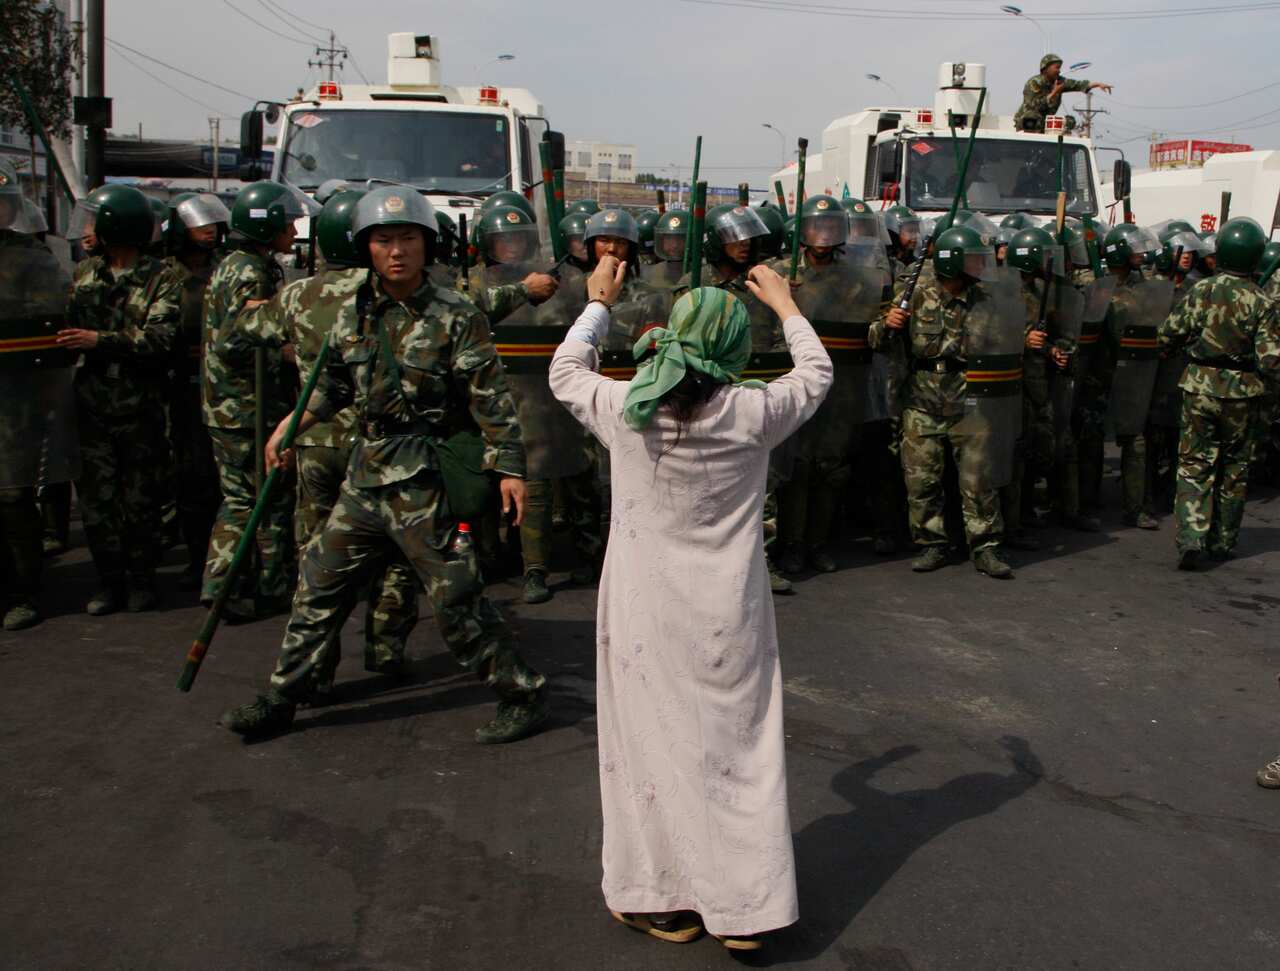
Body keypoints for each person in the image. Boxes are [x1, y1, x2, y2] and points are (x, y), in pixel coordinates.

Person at [549, 257, 832, 951]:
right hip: (728, 617)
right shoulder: (754, 411)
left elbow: (564, 372)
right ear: (735, 349)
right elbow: (817, 374)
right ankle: (746, 910)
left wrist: (597, 305)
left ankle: (661, 899)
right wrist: (786, 303)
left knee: (647, 748)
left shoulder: (625, 409)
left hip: (643, 615)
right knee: (739, 752)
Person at [218, 186, 549, 744]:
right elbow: (335, 384)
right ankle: (285, 695)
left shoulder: (456, 314)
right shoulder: (353, 311)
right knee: (317, 585)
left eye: (408, 239)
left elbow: (489, 398)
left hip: (421, 479)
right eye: (383, 240)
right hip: (366, 473)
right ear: (365, 247)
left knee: (455, 597)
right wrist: (292, 423)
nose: (396, 251)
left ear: (428, 245)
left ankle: (522, 691)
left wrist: (510, 468)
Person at [222, 187, 422, 694]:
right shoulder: (383, 294)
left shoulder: (296, 294)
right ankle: (385, 646)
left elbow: (245, 329)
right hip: (378, 446)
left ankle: (314, 667)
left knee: (318, 563)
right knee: (395, 551)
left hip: (313, 442)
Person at [58, 184, 182, 613]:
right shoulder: (85, 273)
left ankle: (142, 580)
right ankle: (109, 582)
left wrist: (100, 339)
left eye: (95, 221)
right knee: (96, 501)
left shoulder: (162, 277)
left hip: (139, 403)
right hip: (93, 402)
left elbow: (160, 338)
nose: (88, 230)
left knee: (140, 499)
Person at [870, 223, 1020, 579]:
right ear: (953, 262)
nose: (979, 267)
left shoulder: (988, 298)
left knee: (978, 481)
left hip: (972, 402)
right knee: (922, 481)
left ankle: (985, 547)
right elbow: (876, 339)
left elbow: (1007, 341)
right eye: (971, 260)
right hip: (922, 401)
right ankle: (931, 544)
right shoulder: (914, 292)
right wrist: (888, 324)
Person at [201, 181, 304, 621]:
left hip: (229, 405)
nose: (294, 231)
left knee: (240, 497)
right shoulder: (249, 272)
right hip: (245, 406)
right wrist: (283, 345)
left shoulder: (237, 264)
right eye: (286, 223)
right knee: (261, 499)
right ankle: (253, 585)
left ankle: (226, 583)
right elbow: (233, 341)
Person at [769, 196, 884, 574]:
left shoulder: (857, 278)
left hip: (842, 386)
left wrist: (889, 322)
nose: (823, 234)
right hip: (792, 383)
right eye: (817, 226)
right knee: (794, 468)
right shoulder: (780, 273)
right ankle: (790, 544)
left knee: (831, 468)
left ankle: (819, 542)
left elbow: (873, 328)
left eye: (832, 227)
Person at [1157, 217, 1280, 569]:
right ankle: (1223, 540)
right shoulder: (1261, 301)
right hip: (1243, 393)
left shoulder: (1202, 291)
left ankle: (1192, 540)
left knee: (1195, 464)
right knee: (1235, 468)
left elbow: (1169, 334)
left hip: (1200, 386)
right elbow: (1270, 360)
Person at [0, 161, 79, 629]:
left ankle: (24, 591)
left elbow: (50, 320)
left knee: (12, 498)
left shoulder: (32, 258)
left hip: (14, 397)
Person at [165, 192, 230, 590]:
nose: (207, 233)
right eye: (198, 226)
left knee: (216, 475)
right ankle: (194, 555)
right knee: (187, 474)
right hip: (175, 383)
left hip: (220, 384)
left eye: (212, 226)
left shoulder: (225, 270)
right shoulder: (165, 274)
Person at [1098, 223, 1172, 530]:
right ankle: (1078, 504)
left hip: (1135, 374)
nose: (1141, 254)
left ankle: (1136, 505)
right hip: (1100, 375)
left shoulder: (1146, 286)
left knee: (1136, 441)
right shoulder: (1097, 286)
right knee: (1085, 443)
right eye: (1135, 249)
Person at [1013, 54, 1112, 134]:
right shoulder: (1034, 82)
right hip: (1027, 122)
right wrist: (1054, 92)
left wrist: (1098, 84)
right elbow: (1033, 106)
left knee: (1069, 122)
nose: (1059, 71)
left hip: (1045, 121)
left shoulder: (1060, 81)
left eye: (1060, 68)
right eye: (1056, 68)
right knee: (1033, 116)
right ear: (1046, 68)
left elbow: (1078, 84)